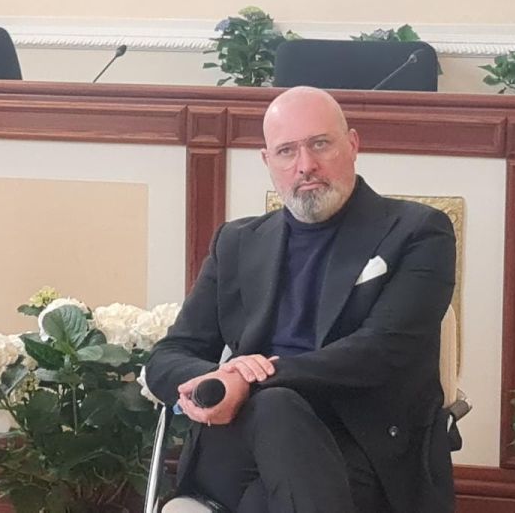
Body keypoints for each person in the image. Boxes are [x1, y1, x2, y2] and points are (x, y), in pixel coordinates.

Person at [145, 86, 455, 513]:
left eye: (320, 144)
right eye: (287, 151)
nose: (305, 165)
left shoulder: (418, 232)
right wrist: (220, 380)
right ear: (267, 160)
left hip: (358, 443)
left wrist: (254, 378)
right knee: (274, 409)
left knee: (265, 478)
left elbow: (384, 351)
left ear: (353, 144)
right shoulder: (236, 242)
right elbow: (168, 357)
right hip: (238, 439)